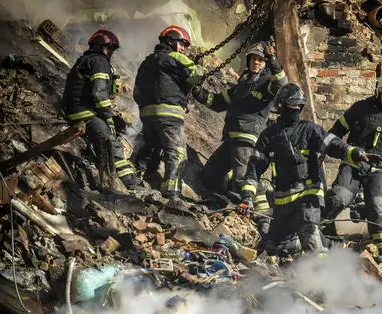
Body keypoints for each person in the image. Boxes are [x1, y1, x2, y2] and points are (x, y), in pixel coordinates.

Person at [238, 83, 370, 256]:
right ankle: (333, 247)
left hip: (309, 195)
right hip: (283, 201)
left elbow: (333, 144)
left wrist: (353, 153)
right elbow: (254, 168)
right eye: (291, 105)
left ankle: (322, 275)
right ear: (281, 105)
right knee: (276, 248)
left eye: (298, 106)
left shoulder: (309, 130)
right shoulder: (269, 135)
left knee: (309, 232)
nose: (295, 109)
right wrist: (247, 197)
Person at [323, 69, 382, 264]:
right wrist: (325, 150)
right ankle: (315, 230)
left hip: (379, 170)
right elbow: (335, 133)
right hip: (353, 163)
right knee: (340, 197)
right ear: (378, 91)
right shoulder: (360, 108)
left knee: (378, 205)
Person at [197, 41, 288, 196]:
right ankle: (222, 201)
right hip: (231, 138)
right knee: (209, 175)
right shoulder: (242, 84)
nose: (256, 62)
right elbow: (219, 102)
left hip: (247, 138)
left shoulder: (267, 84)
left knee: (242, 182)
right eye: (253, 59)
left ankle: (260, 207)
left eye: (260, 60)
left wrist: (272, 59)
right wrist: (198, 93)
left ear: (265, 63)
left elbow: (282, 83)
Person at [62, 29, 139, 191]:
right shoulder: (99, 61)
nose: (111, 53)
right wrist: (108, 117)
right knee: (109, 140)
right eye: (109, 49)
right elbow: (99, 93)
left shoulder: (84, 60)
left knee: (106, 134)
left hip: (74, 110)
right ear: (102, 47)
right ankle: (126, 183)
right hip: (85, 112)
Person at [132, 25, 202, 203]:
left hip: (147, 114)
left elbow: (137, 89)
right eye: (182, 43)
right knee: (177, 152)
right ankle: (171, 194)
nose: (184, 48)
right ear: (171, 40)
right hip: (169, 113)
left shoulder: (147, 61)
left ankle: (135, 179)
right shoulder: (175, 57)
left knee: (151, 147)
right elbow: (196, 75)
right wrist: (197, 67)